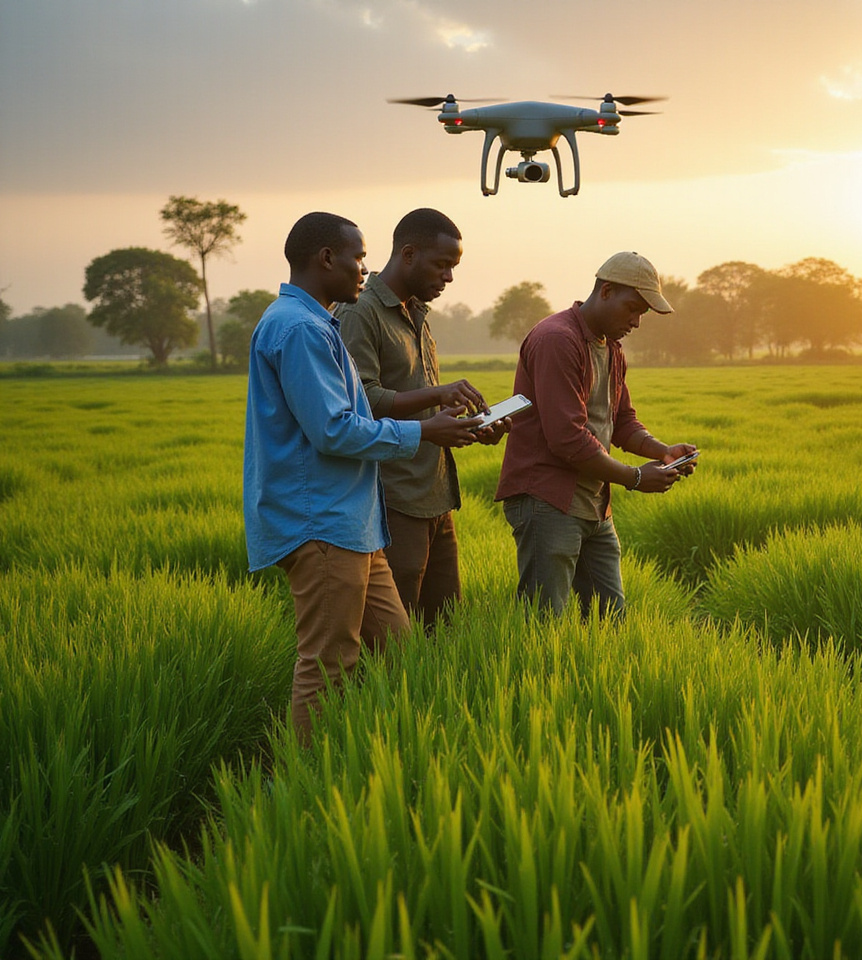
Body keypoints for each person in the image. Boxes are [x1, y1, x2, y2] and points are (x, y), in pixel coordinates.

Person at [243, 211, 482, 743]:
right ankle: (306, 782)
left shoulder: (316, 323)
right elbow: (334, 430)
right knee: (327, 665)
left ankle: (387, 755)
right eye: (357, 257)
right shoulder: (300, 328)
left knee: (399, 656)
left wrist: (433, 423)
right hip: (322, 524)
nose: (363, 269)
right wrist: (425, 433)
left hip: (355, 524)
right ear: (326, 258)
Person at [495, 251, 698, 617]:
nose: (636, 321)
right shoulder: (558, 339)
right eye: (632, 308)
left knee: (609, 618)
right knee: (544, 620)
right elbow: (567, 438)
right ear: (605, 292)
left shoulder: (611, 349)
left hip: (593, 503)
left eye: (643, 314)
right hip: (548, 499)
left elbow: (622, 422)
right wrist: (636, 478)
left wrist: (663, 451)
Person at [336, 208, 508, 628]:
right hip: (393, 500)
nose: (448, 277)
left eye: (453, 267)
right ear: (408, 254)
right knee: (394, 637)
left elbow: (415, 401)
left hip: (435, 495)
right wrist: (438, 394)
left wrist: (464, 424)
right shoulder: (361, 313)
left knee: (443, 628)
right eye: (442, 265)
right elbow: (361, 400)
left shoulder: (417, 313)